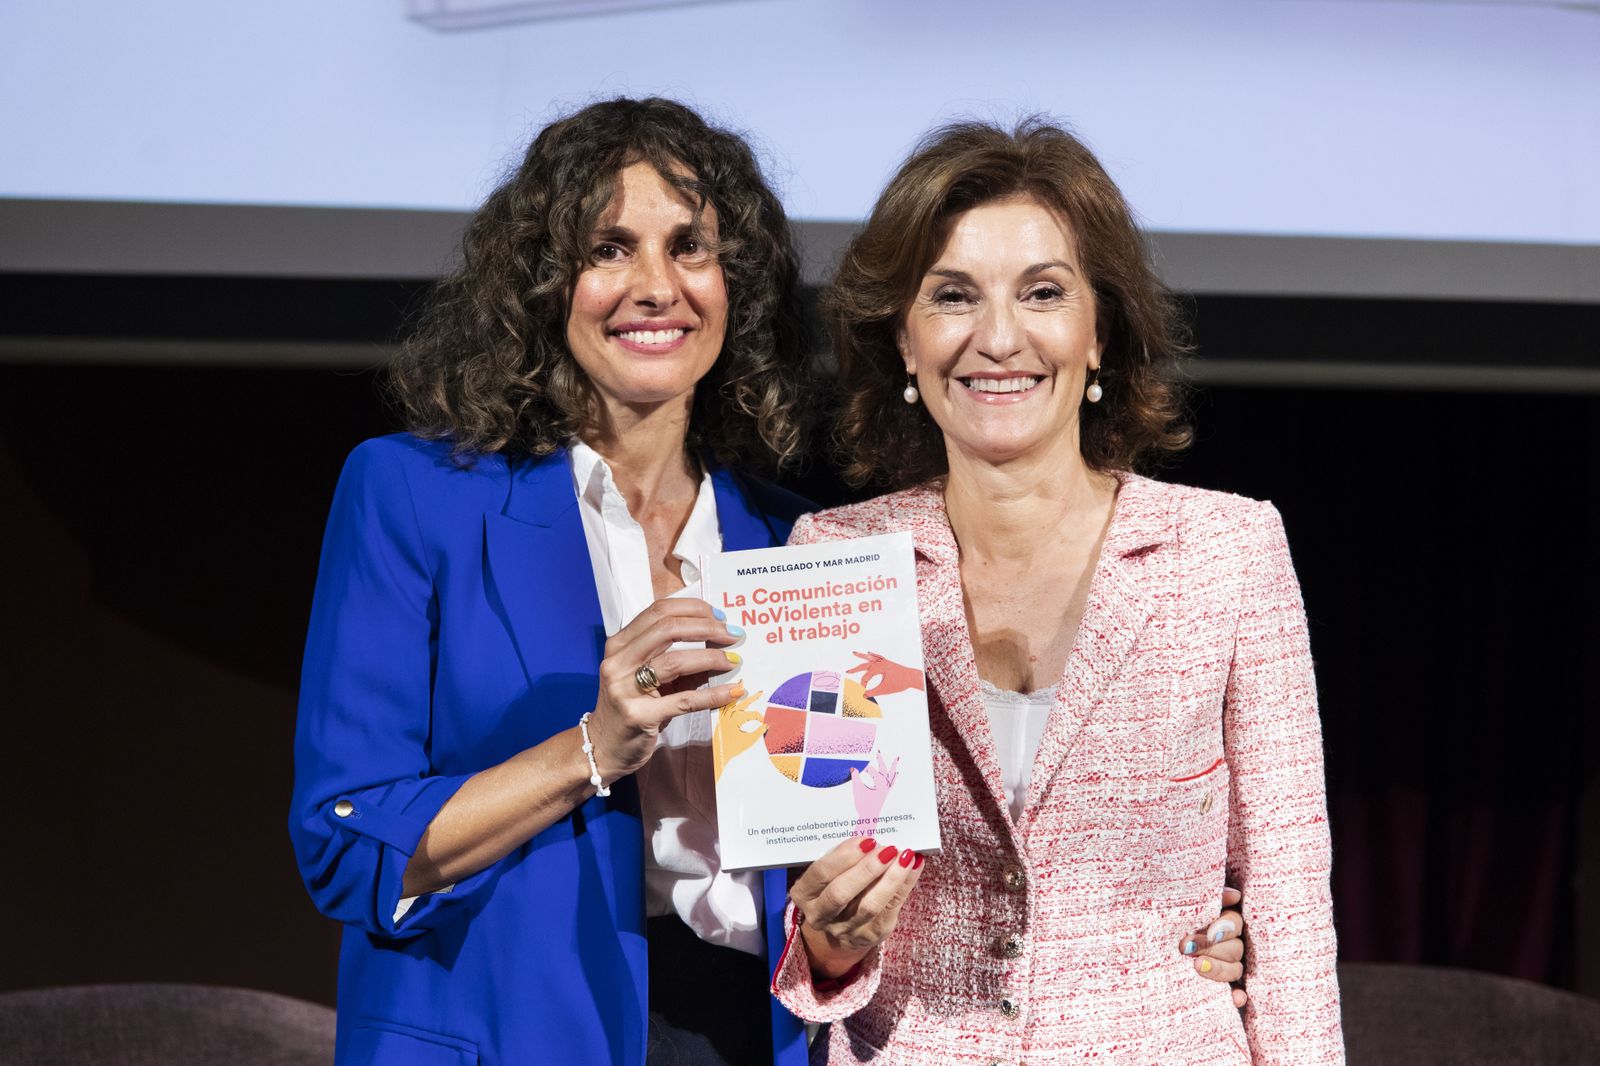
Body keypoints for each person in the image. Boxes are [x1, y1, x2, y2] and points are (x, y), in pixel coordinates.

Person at [770, 120, 1343, 1064]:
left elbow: (1289, 896)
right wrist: (833, 942)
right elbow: (820, 908)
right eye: (953, 296)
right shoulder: (833, 561)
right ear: (904, 343)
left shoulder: (1229, 549)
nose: (999, 337)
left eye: (1043, 292)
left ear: (1099, 333)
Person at [288, 96, 816, 1066]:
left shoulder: (794, 540)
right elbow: (341, 838)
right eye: (609, 248)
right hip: (504, 1031)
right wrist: (594, 746)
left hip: (747, 1031)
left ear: (735, 284)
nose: (655, 286)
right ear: (544, 283)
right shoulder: (411, 494)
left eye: (690, 247)